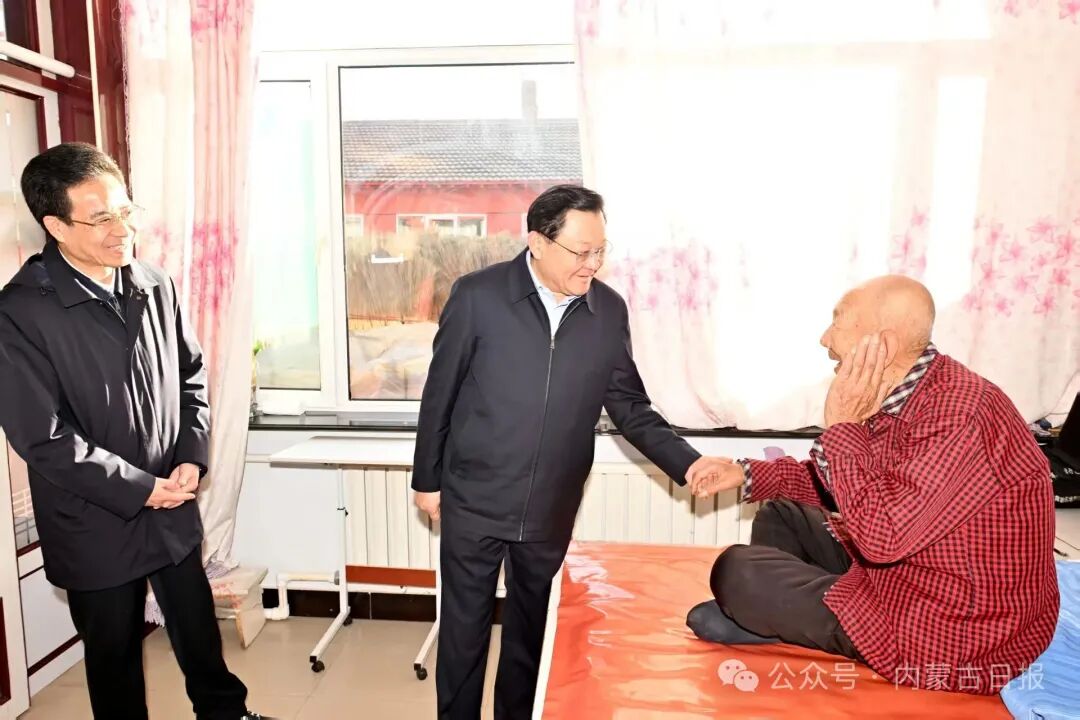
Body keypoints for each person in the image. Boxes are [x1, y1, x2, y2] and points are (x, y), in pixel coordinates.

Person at [412, 185, 727, 718]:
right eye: (581, 252)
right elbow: (439, 393)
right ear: (538, 242)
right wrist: (427, 480)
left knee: (530, 637)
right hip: (474, 498)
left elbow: (630, 407)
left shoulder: (607, 311)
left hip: (550, 506)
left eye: (600, 250)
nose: (593, 264)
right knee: (464, 638)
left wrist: (689, 462)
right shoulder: (478, 297)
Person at [686, 275, 1059, 695]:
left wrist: (843, 425)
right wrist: (748, 473)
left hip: (953, 632)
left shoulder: (958, 415)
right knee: (781, 514)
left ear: (883, 344)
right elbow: (849, 485)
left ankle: (792, 616)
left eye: (838, 321)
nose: (824, 339)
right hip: (909, 574)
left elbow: (883, 538)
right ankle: (783, 615)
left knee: (736, 571)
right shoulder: (912, 389)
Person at [0, 143, 270, 720]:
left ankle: (226, 714)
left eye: (125, 211)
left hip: (171, 496)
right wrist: (139, 488)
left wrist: (191, 455)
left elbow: (190, 374)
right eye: (100, 218)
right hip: (93, 514)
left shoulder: (151, 283)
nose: (121, 230)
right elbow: (41, 435)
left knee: (198, 630)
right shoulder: (21, 311)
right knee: (114, 653)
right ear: (55, 225)